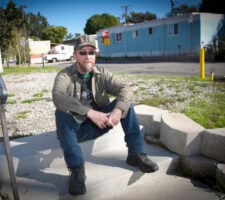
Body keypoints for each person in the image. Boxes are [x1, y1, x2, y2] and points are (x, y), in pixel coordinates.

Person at [52, 35, 159, 196]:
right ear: (75, 55)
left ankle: (135, 154)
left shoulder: (102, 73)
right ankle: (77, 171)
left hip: (100, 124)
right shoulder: (65, 75)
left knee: (125, 105)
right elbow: (58, 97)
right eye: (83, 52)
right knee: (61, 113)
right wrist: (90, 112)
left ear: (95, 54)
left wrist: (117, 111)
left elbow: (126, 90)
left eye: (91, 52)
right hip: (75, 129)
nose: (87, 56)